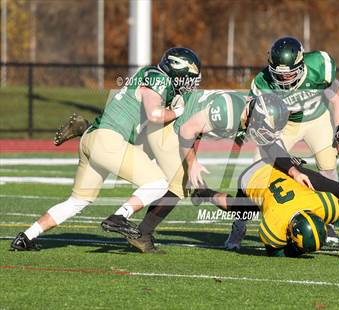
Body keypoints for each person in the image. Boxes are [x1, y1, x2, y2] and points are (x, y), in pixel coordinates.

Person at [10, 47, 201, 251]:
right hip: (107, 140)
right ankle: (120, 216)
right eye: (189, 77)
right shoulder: (158, 79)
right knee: (159, 183)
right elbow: (155, 114)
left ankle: (26, 236)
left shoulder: (150, 76)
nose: (190, 83)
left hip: (92, 138)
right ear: (176, 70)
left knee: (77, 201)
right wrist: (178, 111)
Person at [226, 36, 339, 248]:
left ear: (301, 65)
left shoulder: (320, 65)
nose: (284, 80)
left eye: (290, 74)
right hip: (284, 126)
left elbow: (338, 101)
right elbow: (250, 114)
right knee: (256, 171)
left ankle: (327, 222)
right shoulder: (263, 82)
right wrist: (243, 129)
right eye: (279, 75)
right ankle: (239, 226)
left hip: (316, 119)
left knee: (328, 167)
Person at [192, 159, 339, 260]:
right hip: (251, 177)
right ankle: (205, 192)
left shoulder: (318, 203)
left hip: (282, 168)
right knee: (237, 209)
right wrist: (298, 251)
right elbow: (274, 252)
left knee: (336, 188)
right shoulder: (275, 222)